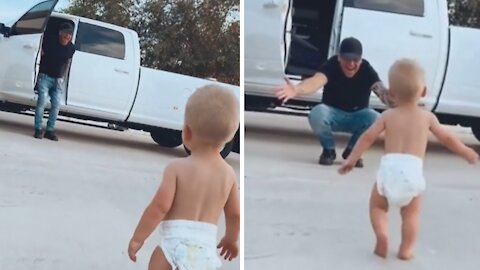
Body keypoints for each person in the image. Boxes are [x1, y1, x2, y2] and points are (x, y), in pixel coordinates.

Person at [338, 59, 478, 260]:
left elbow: (367, 137)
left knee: (377, 207)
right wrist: (466, 152)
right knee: (411, 215)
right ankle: (406, 249)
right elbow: (447, 138)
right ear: (424, 92)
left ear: (392, 95)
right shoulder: (427, 118)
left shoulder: (387, 115)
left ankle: (382, 235)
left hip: (388, 171)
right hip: (412, 173)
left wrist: (351, 160)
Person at [128, 85, 240, 270]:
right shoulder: (228, 174)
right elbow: (235, 214)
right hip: (205, 253)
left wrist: (137, 239)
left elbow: (159, 208)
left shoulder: (177, 168)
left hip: (172, 246)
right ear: (229, 138)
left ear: (186, 132)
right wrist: (231, 239)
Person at [276, 37, 394, 167]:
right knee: (317, 113)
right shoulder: (331, 64)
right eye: (347, 59)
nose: (351, 64)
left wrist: (402, 102)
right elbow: (316, 81)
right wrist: (297, 89)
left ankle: (353, 151)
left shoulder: (366, 69)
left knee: (376, 118)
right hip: (332, 114)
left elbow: (382, 92)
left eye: (355, 60)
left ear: (360, 60)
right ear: (339, 58)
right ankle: (328, 150)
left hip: (358, 116)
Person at [33, 22, 75, 141]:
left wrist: (62, 76)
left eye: (70, 34)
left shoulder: (71, 48)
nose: (68, 36)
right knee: (42, 102)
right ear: (60, 33)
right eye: (66, 33)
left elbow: (67, 62)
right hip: (45, 77)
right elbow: (39, 52)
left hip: (57, 80)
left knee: (56, 105)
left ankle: (49, 130)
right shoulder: (50, 42)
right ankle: (38, 129)